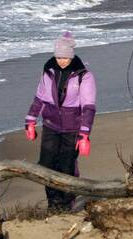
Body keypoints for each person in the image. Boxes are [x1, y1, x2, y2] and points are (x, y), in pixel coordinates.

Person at [24, 31, 97, 211]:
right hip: (50, 125)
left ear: (71, 56)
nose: (61, 60)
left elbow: (88, 107)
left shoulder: (83, 76)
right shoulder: (48, 71)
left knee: (66, 166)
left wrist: (84, 135)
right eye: (58, 56)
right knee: (47, 165)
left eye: (65, 57)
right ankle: (53, 202)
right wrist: (30, 121)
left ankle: (67, 202)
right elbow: (39, 97)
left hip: (73, 128)